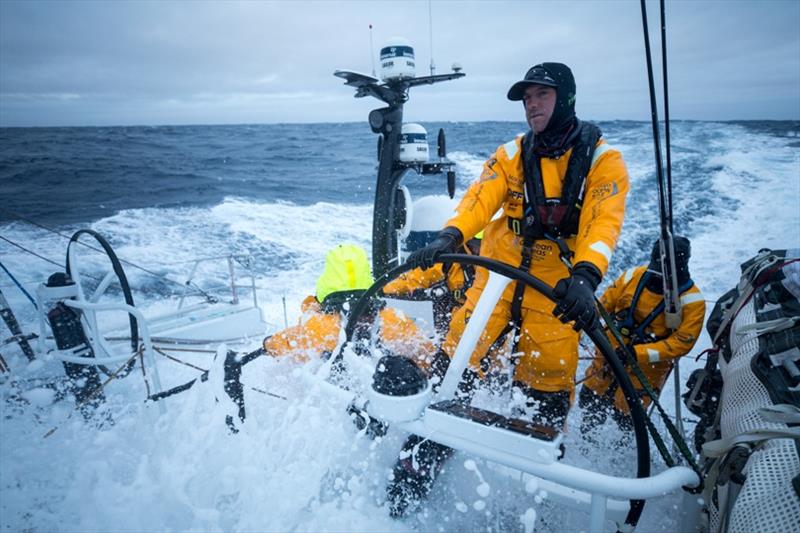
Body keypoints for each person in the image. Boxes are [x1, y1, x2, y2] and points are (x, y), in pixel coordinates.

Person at [387, 62, 630, 517]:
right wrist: (450, 236)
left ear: (567, 99)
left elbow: (604, 222)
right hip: (493, 283)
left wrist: (586, 276)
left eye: (541, 95)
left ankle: (533, 506)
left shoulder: (603, 160)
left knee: (547, 399)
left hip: (555, 292)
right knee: (451, 373)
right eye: (526, 98)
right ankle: (411, 479)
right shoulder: (512, 153)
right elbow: (481, 199)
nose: (531, 105)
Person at [579, 237, 705, 433]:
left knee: (627, 423)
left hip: (643, 374)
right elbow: (602, 305)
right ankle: (584, 444)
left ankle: (620, 458)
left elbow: (681, 343)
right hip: (606, 362)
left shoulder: (692, 302)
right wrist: (583, 320)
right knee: (589, 406)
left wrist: (638, 353)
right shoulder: (632, 276)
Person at [263, 244, 433, 366]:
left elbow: (284, 345)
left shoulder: (316, 324)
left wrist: (267, 343)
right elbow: (425, 353)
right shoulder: (393, 318)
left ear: (327, 280)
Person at [383, 231, 483, 336]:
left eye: (483, 245)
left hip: (486, 325)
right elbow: (412, 279)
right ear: (467, 243)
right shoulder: (449, 261)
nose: (479, 250)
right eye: (476, 244)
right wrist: (384, 291)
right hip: (450, 328)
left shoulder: (498, 267)